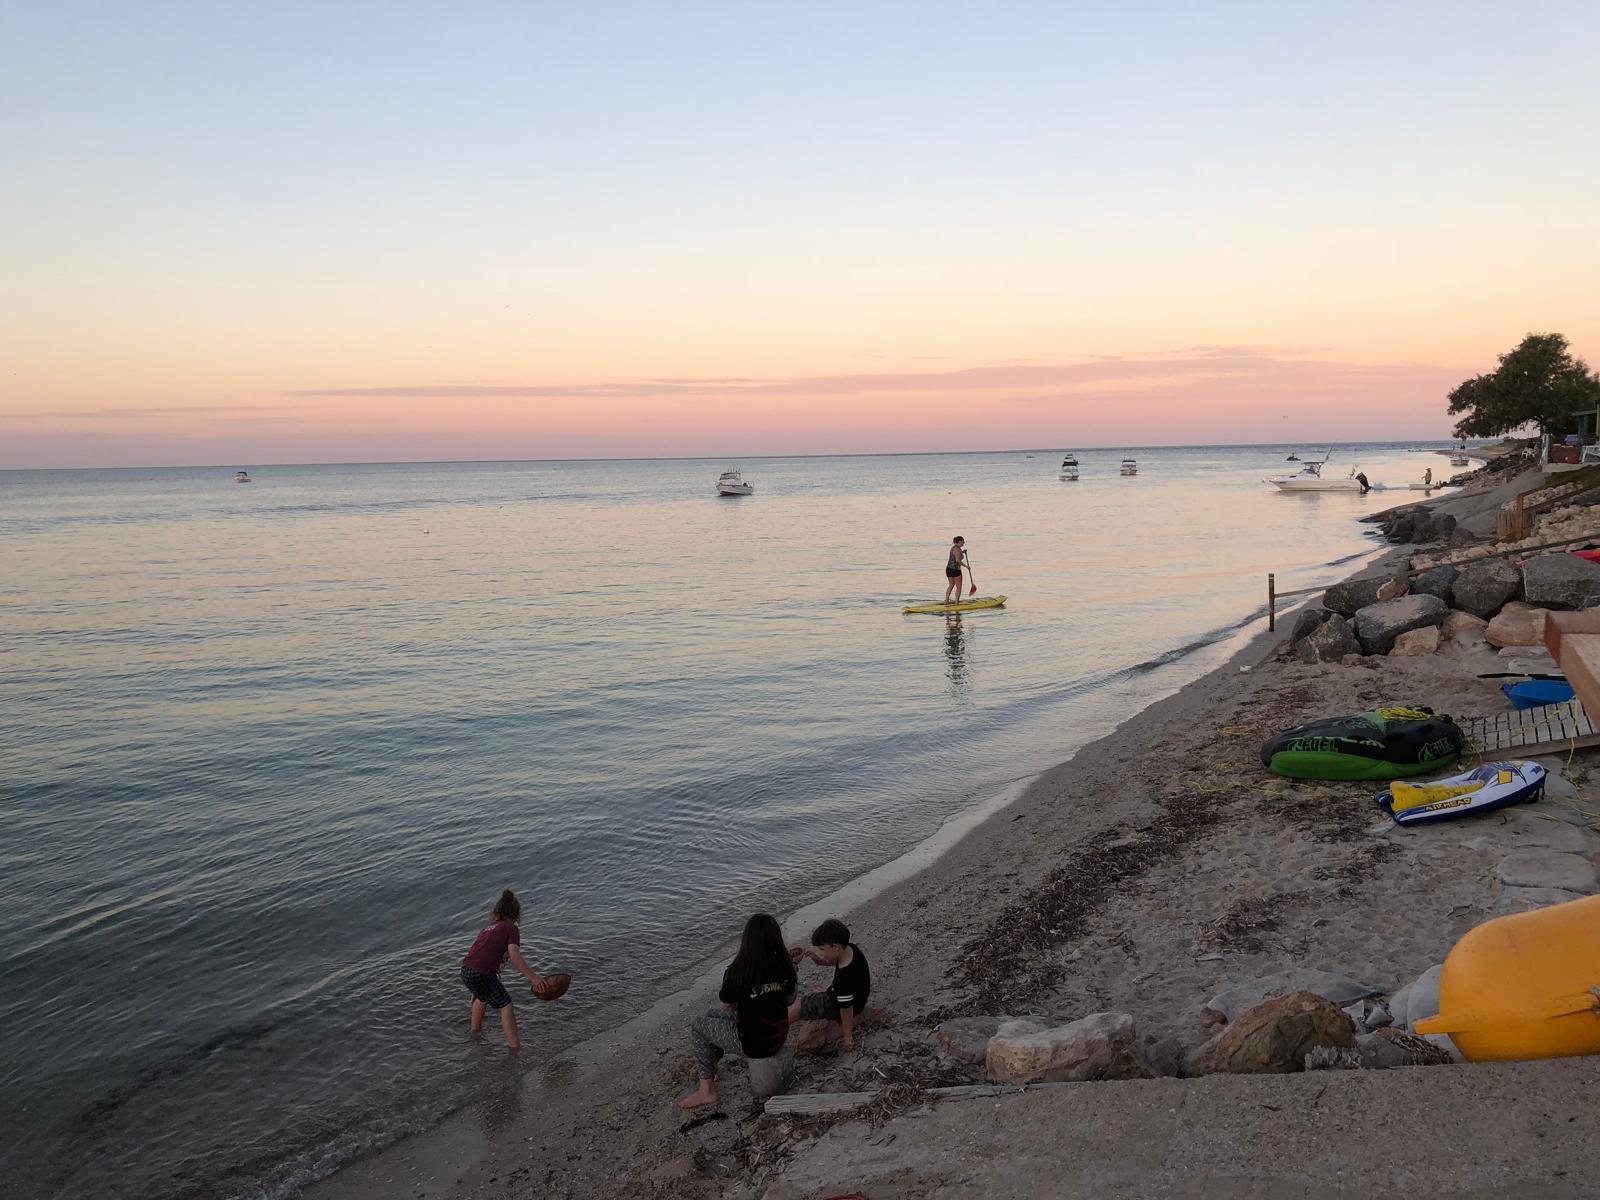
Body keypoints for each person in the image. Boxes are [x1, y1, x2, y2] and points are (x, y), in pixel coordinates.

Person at [679, 913, 796, 1109]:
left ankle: (706, 1092)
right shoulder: (784, 965)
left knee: (699, 1025)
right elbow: (790, 999)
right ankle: (711, 1068)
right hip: (778, 1033)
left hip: (755, 1044)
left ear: (746, 941)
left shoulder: (738, 971)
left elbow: (727, 1003)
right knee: (710, 1016)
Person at [459, 888, 550, 1051]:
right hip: (482, 972)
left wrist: (475, 986)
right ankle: (514, 1047)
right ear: (516, 915)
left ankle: (475, 1032)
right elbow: (514, 955)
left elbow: (479, 953)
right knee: (506, 1005)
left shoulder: (488, 928)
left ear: (496, 912)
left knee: (482, 997)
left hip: (466, 969)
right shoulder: (511, 928)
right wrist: (533, 977)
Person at [788, 918, 871, 1052]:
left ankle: (780, 1027)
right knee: (821, 992)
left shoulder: (844, 977)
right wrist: (820, 961)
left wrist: (848, 1037)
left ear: (836, 947)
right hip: (860, 999)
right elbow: (836, 961)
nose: (821, 952)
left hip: (841, 1006)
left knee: (800, 1003)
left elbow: (846, 1009)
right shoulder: (851, 949)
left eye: (822, 949)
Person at [944, 535, 971, 605]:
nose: (964, 542)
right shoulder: (958, 549)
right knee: (959, 587)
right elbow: (958, 560)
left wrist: (963, 552)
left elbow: (956, 555)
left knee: (951, 585)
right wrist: (966, 566)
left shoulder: (954, 548)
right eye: (963, 541)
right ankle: (956, 602)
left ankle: (946, 600)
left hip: (949, 569)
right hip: (955, 570)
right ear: (959, 541)